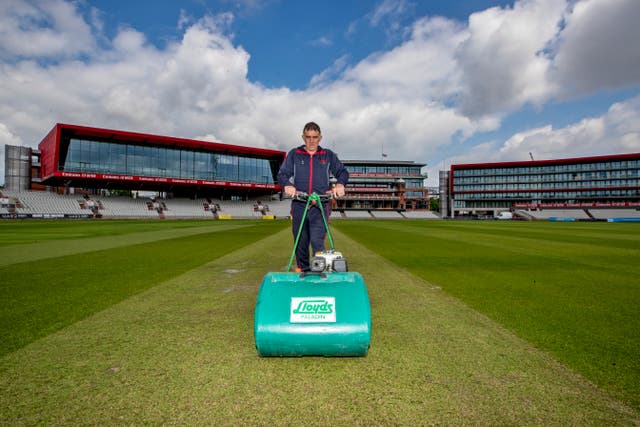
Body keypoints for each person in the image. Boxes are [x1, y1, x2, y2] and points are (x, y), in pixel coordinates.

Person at [277, 122, 349, 271]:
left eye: (315, 137)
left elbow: (343, 172)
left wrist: (341, 184)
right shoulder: (294, 154)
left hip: (320, 207)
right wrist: (287, 185)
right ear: (303, 137)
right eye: (308, 137)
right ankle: (302, 271)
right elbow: (282, 174)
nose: (311, 141)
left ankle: (318, 272)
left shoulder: (327, 155)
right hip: (299, 205)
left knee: (317, 242)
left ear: (320, 138)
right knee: (301, 243)